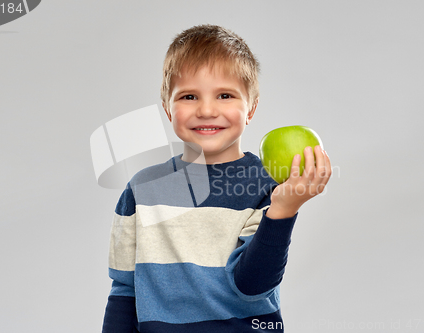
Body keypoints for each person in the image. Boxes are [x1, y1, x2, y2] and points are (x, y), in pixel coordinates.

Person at [101, 24, 332, 333]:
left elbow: (251, 287)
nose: (207, 110)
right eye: (188, 96)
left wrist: (283, 211)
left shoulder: (269, 187)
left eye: (225, 95)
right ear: (168, 109)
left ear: (251, 107)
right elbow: (124, 292)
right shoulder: (141, 190)